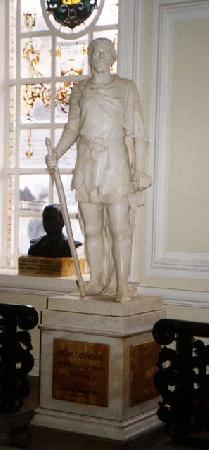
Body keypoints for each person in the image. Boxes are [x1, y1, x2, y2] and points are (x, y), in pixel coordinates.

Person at [46, 38, 151, 302]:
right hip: (87, 163)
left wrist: (139, 169)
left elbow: (138, 132)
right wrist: (57, 153)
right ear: (90, 58)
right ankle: (97, 281)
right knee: (91, 229)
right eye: (95, 52)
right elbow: (72, 128)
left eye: (105, 52)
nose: (100, 55)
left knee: (119, 229)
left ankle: (122, 286)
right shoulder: (79, 91)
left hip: (115, 163)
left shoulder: (126, 88)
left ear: (113, 57)